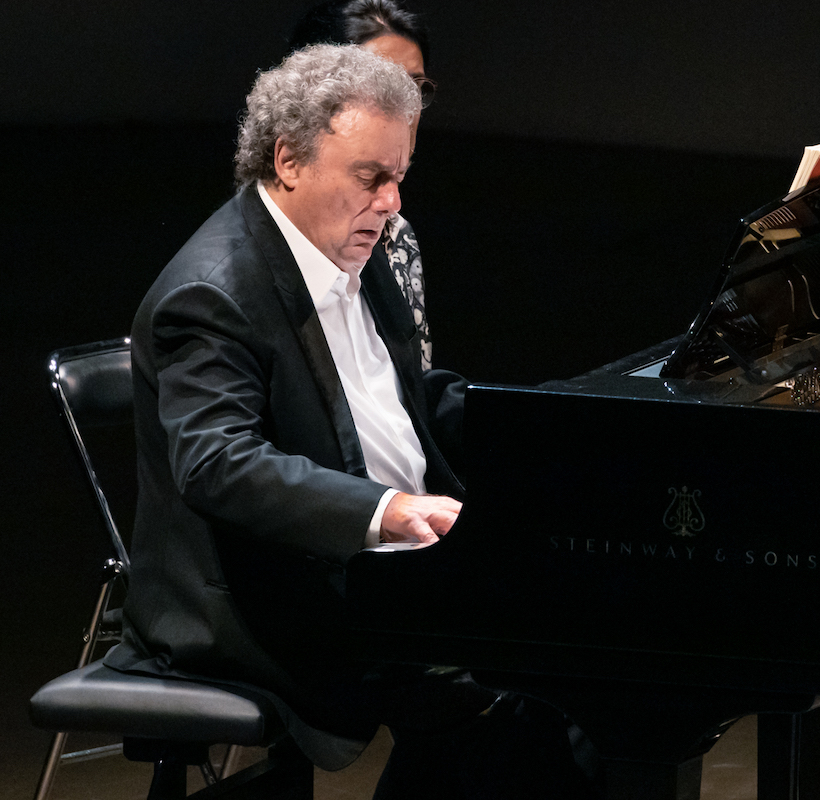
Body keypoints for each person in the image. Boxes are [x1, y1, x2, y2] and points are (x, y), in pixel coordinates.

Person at [103, 44, 589, 798]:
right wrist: (386, 510)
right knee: (532, 685)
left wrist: (545, 421)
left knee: (567, 656)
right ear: (289, 159)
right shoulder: (211, 295)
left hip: (373, 579)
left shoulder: (357, 246)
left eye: (400, 178)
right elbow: (217, 462)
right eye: (372, 178)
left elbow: (406, 402)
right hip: (267, 603)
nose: (392, 202)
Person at [291, 0, 436, 372]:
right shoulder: (275, 231)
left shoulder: (398, 235)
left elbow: (413, 392)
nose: (402, 109)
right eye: (381, 84)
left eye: (414, 87)